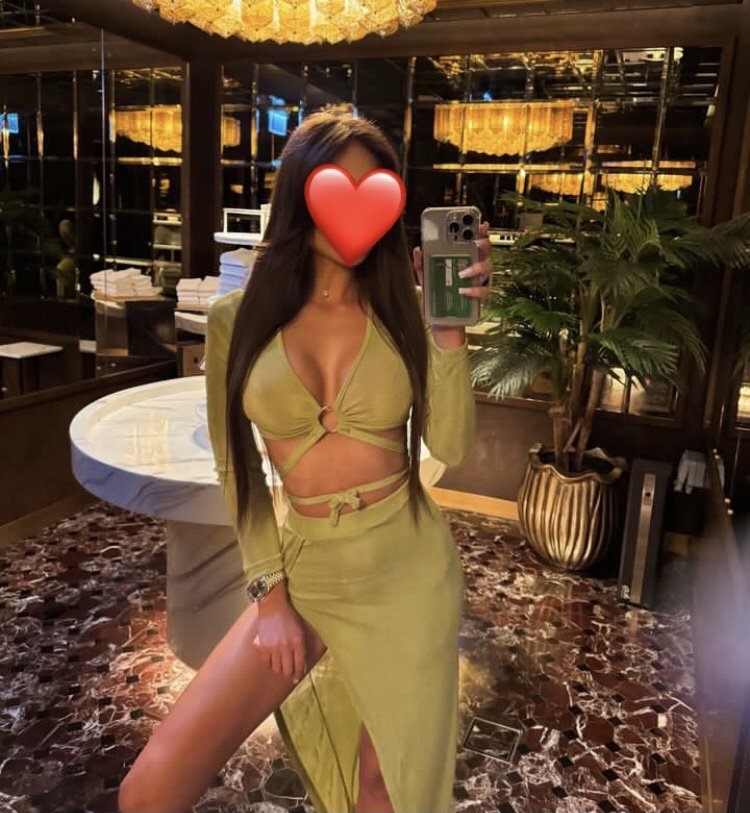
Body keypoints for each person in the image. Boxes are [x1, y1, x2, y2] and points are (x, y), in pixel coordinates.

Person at [118, 111, 491, 813]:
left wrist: (448, 336)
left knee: (385, 789)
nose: (354, 211)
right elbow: (237, 470)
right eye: (336, 188)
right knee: (149, 790)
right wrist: (271, 598)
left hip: (409, 571)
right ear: (298, 194)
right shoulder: (235, 319)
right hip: (306, 567)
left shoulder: (404, 311)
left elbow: (451, 445)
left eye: (374, 192)